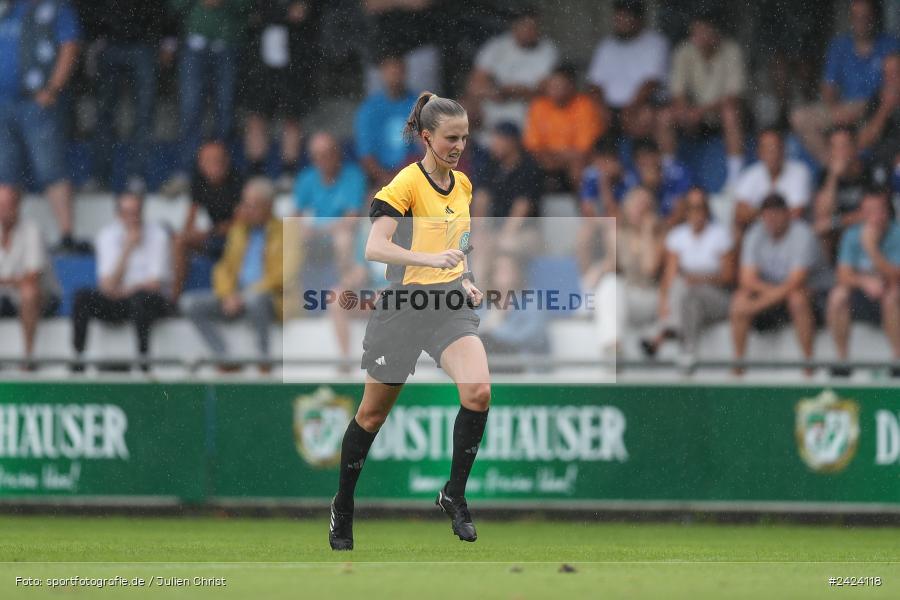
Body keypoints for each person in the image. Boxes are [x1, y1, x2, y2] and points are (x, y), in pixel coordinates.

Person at [329, 92, 488, 551]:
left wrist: (466, 277)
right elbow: (374, 248)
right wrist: (430, 260)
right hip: (403, 309)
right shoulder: (405, 183)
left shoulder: (463, 185)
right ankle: (343, 503)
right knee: (371, 416)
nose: (459, 146)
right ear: (427, 137)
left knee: (478, 392)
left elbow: (459, 244)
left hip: (448, 306)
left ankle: (454, 494)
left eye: (464, 138)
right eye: (451, 138)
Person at [0, 0, 86, 253]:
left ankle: (67, 236)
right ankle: (7, 239)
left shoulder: (56, 8)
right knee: (5, 174)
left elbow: (70, 45)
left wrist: (53, 88)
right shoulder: (7, 9)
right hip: (4, 103)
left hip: (35, 102)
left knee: (51, 168)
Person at [181, 178, 287, 370]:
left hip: (271, 298)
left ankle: (263, 358)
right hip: (236, 297)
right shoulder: (238, 231)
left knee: (256, 298)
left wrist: (244, 295)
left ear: (269, 206)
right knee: (189, 303)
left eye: (253, 206)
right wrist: (228, 294)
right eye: (246, 204)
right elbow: (223, 268)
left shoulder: (285, 231)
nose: (247, 210)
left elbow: (283, 274)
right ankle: (225, 358)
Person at [730, 194, 832, 375]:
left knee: (797, 299)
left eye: (776, 215)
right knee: (740, 299)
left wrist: (754, 307)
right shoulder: (755, 234)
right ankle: (738, 365)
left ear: (787, 214)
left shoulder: (803, 234)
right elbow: (746, 279)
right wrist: (768, 294)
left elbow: (796, 282)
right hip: (775, 292)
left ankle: (809, 364)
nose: (772, 221)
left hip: (815, 296)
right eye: (768, 216)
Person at [71, 190, 173, 371]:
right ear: (118, 215)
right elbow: (106, 285)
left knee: (140, 299)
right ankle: (78, 361)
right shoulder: (106, 236)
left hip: (149, 302)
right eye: (127, 213)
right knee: (82, 297)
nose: (133, 218)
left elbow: (155, 285)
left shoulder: (158, 235)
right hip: (120, 300)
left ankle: (144, 363)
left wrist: (124, 291)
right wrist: (127, 248)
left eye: (136, 212)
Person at [791, 0, 899, 164]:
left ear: (874, 17)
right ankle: (834, 165)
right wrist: (835, 111)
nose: (861, 21)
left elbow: (892, 83)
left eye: (865, 16)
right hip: (845, 107)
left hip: (876, 105)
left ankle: (843, 165)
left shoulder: (890, 44)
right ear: (850, 19)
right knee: (799, 117)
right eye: (856, 17)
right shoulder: (839, 46)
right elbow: (828, 88)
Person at [163, 0, 253, 195]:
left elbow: (248, 6)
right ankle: (187, 173)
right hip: (194, 46)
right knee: (190, 112)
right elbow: (174, 5)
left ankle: (222, 175)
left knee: (226, 113)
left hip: (228, 44)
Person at [642, 188, 736, 361]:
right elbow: (669, 277)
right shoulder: (677, 236)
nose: (696, 213)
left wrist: (699, 279)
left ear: (707, 210)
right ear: (686, 211)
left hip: (716, 295)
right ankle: (687, 350)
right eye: (691, 208)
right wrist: (663, 303)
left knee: (688, 291)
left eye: (699, 207)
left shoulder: (720, 235)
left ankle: (662, 334)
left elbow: (729, 277)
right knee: (683, 289)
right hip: (687, 297)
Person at [86, 1, 172, 191]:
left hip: (144, 43)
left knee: (144, 115)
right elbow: (91, 7)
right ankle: (99, 176)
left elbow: (162, 7)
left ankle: (137, 175)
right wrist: (94, 37)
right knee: (104, 115)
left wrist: (167, 40)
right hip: (109, 42)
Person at [660, 9, 747, 188]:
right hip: (692, 116)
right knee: (664, 117)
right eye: (695, 32)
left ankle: (735, 177)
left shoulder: (732, 50)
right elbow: (677, 93)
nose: (698, 37)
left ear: (715, 33)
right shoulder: (684, 50)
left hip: (718, 114)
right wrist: (686, 112)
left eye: (703, 32)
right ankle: (669, 171)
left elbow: (733, 97)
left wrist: (700, 111)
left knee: (731, 114)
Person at [242, 0, 320, 189]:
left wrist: (274, 14)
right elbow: (252, 14)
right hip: (260, 63)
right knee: (257, 116)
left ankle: (289, 172)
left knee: (291, 117)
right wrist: (282, 13)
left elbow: (303, 13)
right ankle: (256, 172)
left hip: (293, 61)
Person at [826, 189, 900, 376]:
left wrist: (871, 248)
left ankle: (897, 359)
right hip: (862, 295)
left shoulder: (897, 233)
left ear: (887, 212)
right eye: (868, 211)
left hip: (890, 294)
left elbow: (896, 276)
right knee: (838, 296)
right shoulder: (852, 234)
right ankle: (842, 361)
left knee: (893, 294)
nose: (873, 216)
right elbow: (843, 275)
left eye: (878, 210)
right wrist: (864, 281)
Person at [592, 187, 663, 361]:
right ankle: (613, 347)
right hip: (628, 295)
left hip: (651, 298)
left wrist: (647, 232)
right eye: (635, 205)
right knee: (609, 284)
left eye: (644, 206)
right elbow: (612, 265)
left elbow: (649, 269)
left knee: (611, 287)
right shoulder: (619, 234)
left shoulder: (660, 236)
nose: (639, 210)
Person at [465, 6, 558, 134]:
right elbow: (474, 86)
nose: (529, 31)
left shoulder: (547, 50)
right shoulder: (496, 46)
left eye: (533, 27)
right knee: (462, 108)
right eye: (525, 26)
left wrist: (512, 91)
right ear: (514, 26)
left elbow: (545, 89)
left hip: (527, 111)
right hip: (490, 108)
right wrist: (495, 92)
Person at [171, 141, 244, 301]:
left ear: (226, 161)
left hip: (238, 238)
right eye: (208, 160)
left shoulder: (238, 181)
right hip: (214, 237)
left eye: (217, 160)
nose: (213, 165)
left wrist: (209, 232)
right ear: (200, 164)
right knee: (179, 241)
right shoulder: (199, 181)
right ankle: (175, 297)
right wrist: (189, 233)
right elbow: (191, 215)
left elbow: (241, 223)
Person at [470, 121, 544, 280]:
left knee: (505, 261)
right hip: (495, 232)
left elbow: (522, 208)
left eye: (499, 140)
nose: (494, 144)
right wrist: (479, 229)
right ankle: (478, 293)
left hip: (524, 232)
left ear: (512, 142)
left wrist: (501, 236)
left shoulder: (529, 167)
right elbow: (481, 199)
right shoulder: (491, 165)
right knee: (482, 253)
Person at [586, 0, 668, 139]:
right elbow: (594, 84)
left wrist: (631, 108)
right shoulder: (607, 46)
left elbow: (651, 82)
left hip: (641, 105)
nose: (621, 22)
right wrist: (601, 107)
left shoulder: (655, 43)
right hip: (610, 107)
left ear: (639, 19)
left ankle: (642, 151)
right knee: (588, 114)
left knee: (645, 116)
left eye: (625, 17)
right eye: (618, 18)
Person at [0, 185, 60, 366]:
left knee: (29, 292)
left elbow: (32, 277)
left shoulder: (32, 230)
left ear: (17, 206)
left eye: (7, 205)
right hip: (7, 296)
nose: (3, 211)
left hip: (43, 298)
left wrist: (7, 281)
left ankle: (28, 357)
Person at [293, 132, 367, 278]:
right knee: (292, 237)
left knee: (343, 239)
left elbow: (352, 218)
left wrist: (320, 230)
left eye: (328, 153)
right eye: (318, 155)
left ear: (337, 152)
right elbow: (296, 215)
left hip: (342, 233)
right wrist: (303, 227)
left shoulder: (354, 175)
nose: (324, 159)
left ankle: (344, 284)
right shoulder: (306, 178)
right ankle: (292, 286)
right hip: (314, 233)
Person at [523, 64, 606, 191]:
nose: (554, 90)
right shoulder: (538, 106)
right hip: (547, 158)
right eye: (551, 85)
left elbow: (583, 150)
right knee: (523, 163)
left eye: (559, 85)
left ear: (571, 86)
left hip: (576, 160)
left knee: (578, 167)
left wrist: (555, 157)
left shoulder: (585, 105)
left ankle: (583, 202)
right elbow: (532, 146)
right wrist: (551, 157)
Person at [355, 51, 418, 188]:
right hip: (380, 181)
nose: (394, 73)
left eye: (397, 68)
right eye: (389, 68)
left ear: (405, 71)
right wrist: (387, 180)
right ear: (381, 72)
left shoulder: (419, 105)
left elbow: (427, 150)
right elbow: (366, 156)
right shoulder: (369, 108)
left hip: (415, 179)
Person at [733, 129, 813, 232]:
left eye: (775, 148)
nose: (772, 153)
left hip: (791, 233)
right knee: (737, 228)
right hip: (761, 232)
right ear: (759, 152)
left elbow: (797, 214)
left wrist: (758, 213)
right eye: (767, 149)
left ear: (783, 149)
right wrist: (773, 214)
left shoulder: (800, 171)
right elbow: (739, 213)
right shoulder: (751, 173)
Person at [812, 126, 873, 257]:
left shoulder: (870, 170)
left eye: (844, 146)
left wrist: (835, 222)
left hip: (867, 229)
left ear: (855, 147)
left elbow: (873, 213)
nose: (840, 152)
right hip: (840, 232)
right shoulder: (825, 175)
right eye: (835, 147)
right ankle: (830, 269)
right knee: (823, 235)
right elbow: (822, 216)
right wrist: (833, 178)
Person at [631, 139, 693, 227]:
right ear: (637, 163)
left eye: (651, 157)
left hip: (671, 230)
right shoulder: (631, 183)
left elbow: (681, 211)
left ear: (659, 157)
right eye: (644, 162)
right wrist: (648, 187)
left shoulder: (673, 179)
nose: (649, 163)